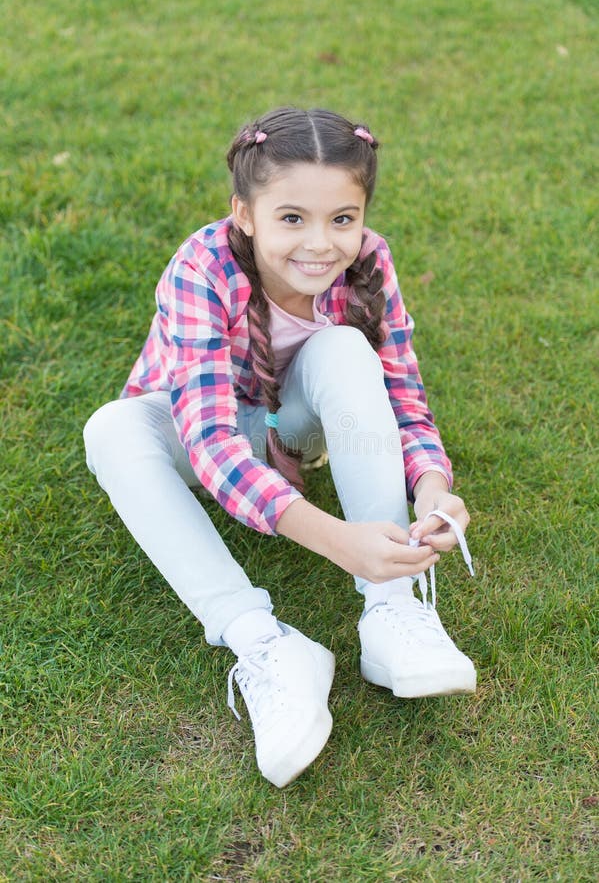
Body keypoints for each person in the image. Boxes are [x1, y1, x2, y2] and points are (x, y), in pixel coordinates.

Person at [83, 107, 476, 789]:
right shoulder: (200, 267)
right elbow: (206, 438)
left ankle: (391, 606)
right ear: (245, 212)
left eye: (341, 219)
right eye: (291, 218)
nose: (320, 244)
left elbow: (401, 396)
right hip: (207, 440)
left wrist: (433, 485)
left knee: (346, 345)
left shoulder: (368, 263)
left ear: (361, 216)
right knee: (111, 429)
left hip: (295, 428)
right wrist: (331, 536)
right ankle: (265, 645)